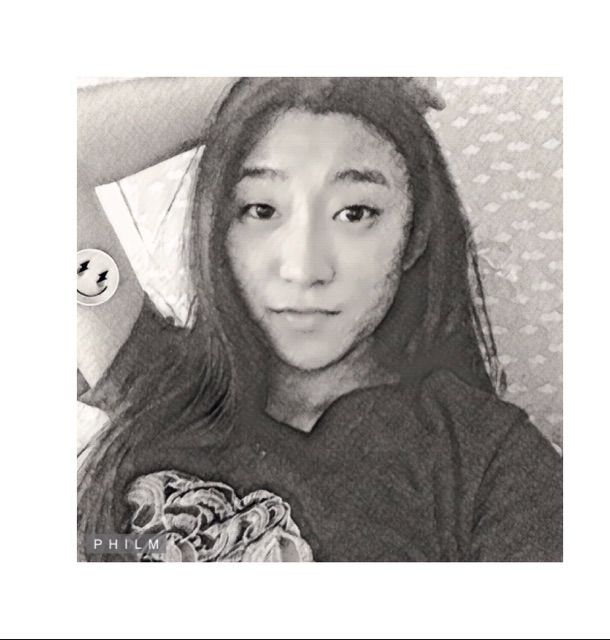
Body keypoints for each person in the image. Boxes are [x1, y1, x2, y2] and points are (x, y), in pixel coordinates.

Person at [77, 77, 562, 562]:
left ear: (414, 236)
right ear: (219, 229)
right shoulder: (158, 379)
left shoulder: (486, 462)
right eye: (261, 209)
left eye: (355, 213)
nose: (305, 268)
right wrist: (264, 76)